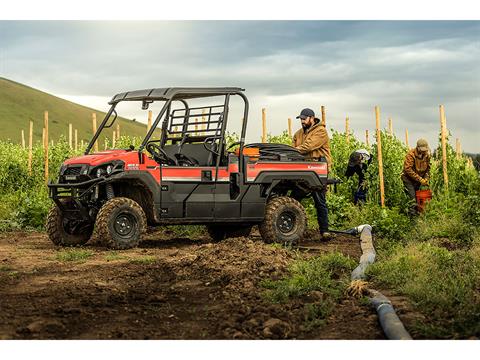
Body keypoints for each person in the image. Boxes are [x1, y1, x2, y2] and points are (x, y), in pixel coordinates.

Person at [291, 108, 333, 240]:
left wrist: (292, 151)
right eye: (301, 119)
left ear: (312, 118)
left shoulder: (320, 131)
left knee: (319, 200)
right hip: (303, 171)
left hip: (317, 170)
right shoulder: (298, 134)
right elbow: (293, 146)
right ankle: (294, 227)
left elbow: (307, 147)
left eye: (304, 119)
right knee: (294, 198)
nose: (302, 121)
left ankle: (324, 231)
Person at [401, 138, 431, 214]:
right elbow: (408, 169)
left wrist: (426, 178)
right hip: (408, 179)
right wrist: (420, 179)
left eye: (425, 149)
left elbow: (428, 168)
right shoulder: (411, 155)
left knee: (419, 197)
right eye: (422, 149)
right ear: (418, 148)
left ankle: (418, 214)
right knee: (412, 198)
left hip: (418, 179)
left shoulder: (427, 155)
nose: (424, 151)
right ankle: (412, 218)